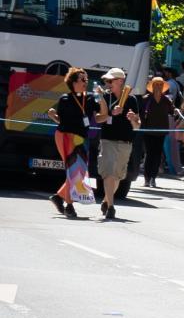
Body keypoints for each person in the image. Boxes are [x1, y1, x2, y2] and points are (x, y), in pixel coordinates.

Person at [94, 68, 141, 221]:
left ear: (120, 81)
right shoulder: (104, 97)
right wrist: (110, 113)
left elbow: (137, 126)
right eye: (106, 81)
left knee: (118, 176)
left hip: (125, 142)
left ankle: (106, 200)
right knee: (108, 173)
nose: (107, 83)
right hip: (108, 140)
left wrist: (133, 119)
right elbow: (98, 119)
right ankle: (111, 207)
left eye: (110, 80)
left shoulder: (131, 99)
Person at [51, 66, 94, 218]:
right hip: (65, 136)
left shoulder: (90, 98)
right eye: (82, 79)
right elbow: (61, 121)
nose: (86, 82)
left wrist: (101, 98)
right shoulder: (64, 99)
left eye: (86, 79)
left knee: (80, 171)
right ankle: (69, 206)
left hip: (81, 138)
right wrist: (53, 116)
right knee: (73, 170)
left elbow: (103, 113)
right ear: (73, 82)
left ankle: (59, 197)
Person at [139, 76, 173, 187]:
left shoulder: (166, 100)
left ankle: (153, 177)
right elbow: (141, 114)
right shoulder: (146, 99)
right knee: (149, 154)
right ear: (152, 86)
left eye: (160, 85)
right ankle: (147, 178)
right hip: (148, 131)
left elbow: (172, 111)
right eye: (156, 84)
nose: (158, 86)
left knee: (158, 154)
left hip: (161, 131)